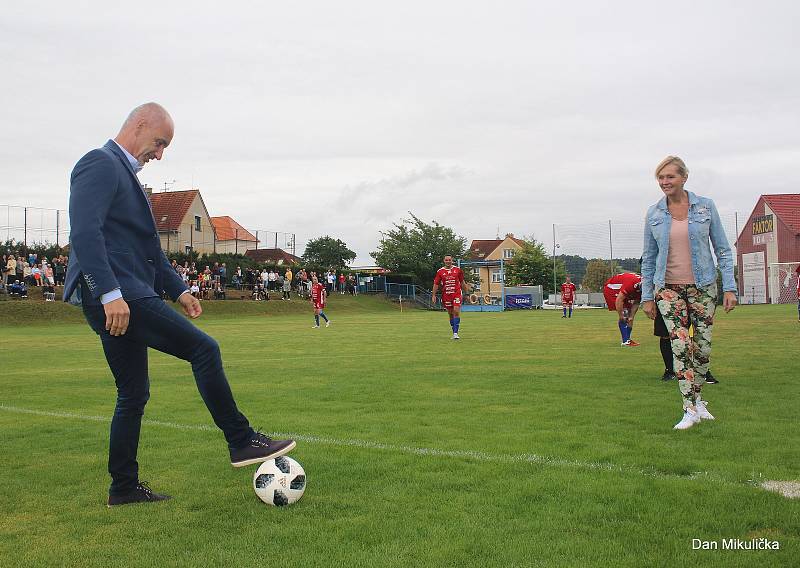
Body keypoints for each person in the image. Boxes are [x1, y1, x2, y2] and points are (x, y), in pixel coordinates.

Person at [64, 103, 295, 507]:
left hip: (125, 292)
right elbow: (85, 233)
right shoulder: (98, 163)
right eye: (159, 143)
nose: (160, 154)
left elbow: (148, 249)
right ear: (139, 125)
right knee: (204, 349)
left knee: (132, 393)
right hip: (121, 296)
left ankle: (123, 488)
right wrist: (109, 294)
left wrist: (180, 289)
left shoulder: (126, 176)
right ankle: (241, 441)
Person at [641, 156, 737, 430]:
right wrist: (648, 296)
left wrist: (729, 287)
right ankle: (689, 408)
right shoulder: (655, 213)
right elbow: (648, 257)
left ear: (684, 177)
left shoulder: (706, 207)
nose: (664, 182)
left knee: (702, 349)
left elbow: (722, 250)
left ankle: (698, 398)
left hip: (703, 287)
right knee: (680, 346)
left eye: (669, 177)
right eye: (660, 178)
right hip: (668, 289)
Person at [431, 255, 471, 339]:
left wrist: (467, 293)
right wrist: (433, 295)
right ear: (444, 261)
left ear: (452, 261)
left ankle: (456, 333)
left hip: (456, 293)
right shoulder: (440, 271)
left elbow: (462, 282)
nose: (448, 261)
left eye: (450, 260)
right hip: (446, 295)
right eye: (446, 260)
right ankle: (454, 332)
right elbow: (436, 284)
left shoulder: (457, 270)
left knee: (456, 311)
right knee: (450, 313)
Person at [603, 272, 642, 346]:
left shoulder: (644, 288)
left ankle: (627, 339)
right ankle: (625, 341)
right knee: (625, 313)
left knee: (629, 315)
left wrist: (632, 316)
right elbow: (619, 300)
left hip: (621, 290)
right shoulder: (632, 283)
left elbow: (637, 302)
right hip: (612, 289)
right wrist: (621, 316)